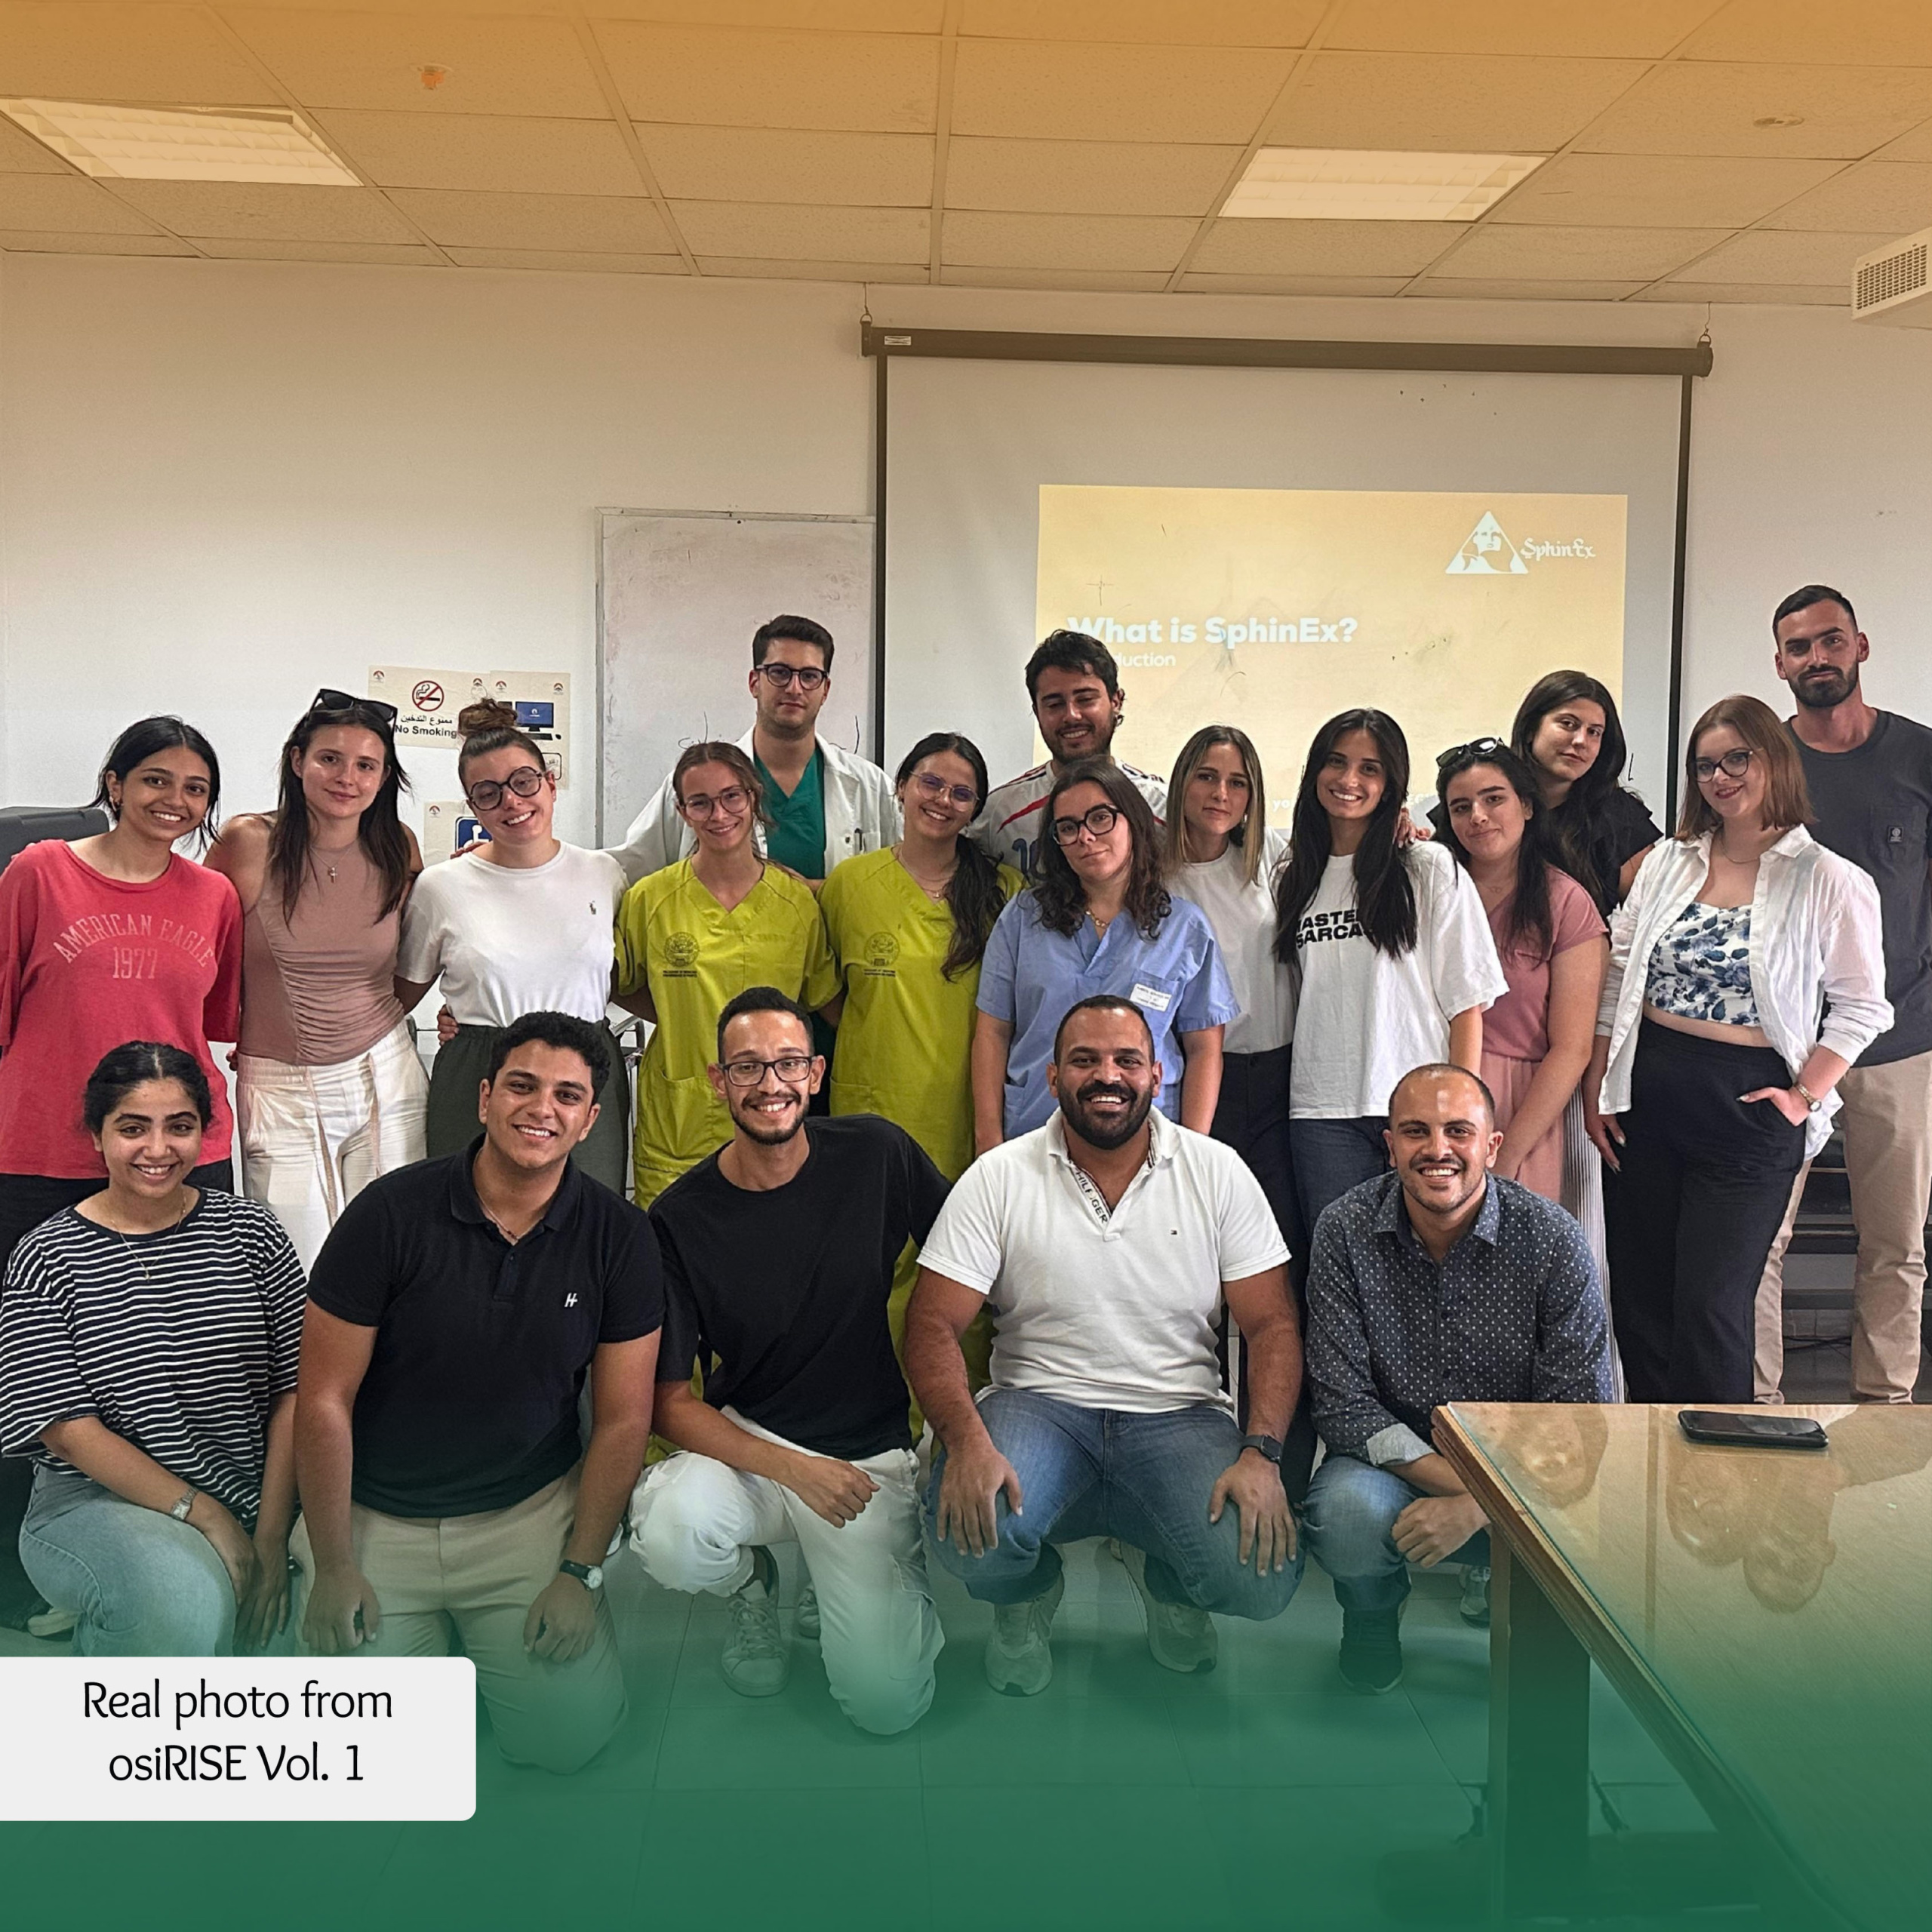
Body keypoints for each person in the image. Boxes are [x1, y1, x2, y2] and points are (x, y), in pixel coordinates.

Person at [294, 1012, 661, 1775]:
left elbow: (625, 1420)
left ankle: (486, 1648)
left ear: (591, 1119)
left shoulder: (619, 1236)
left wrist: (580, 1573)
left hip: (522, 1518)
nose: (542, 1109)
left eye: (567, 1096)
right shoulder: (389, 1214)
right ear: (485, 1097)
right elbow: (323, 1397)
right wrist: (333, 1565)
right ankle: (448, 1649)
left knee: (563, 1743)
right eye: (522, 1086)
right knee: (373, 1762)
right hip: (377, 1521)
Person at [907, 995, 1303, 1695]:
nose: (1107, 1076)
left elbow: (1272, 1325)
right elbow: (932, 1324)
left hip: (1178, 1414)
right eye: (1084, 1060)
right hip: (1037, 1405)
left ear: (1158, 1073)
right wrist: (966, 1444)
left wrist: (1261, 1455)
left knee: (1259, 1576)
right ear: (1052, 1076)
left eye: (1126, 1060)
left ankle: (1171, 1583)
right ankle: (1025, 1594)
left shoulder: (1217, 1171)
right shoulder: (999, 1176)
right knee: (971, 1530)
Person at [632, 989, 950, 1734]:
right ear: (719, 1082)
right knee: (671, 1531)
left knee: (886, 1705)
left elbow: (969, 1260)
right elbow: (669, 1402)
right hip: (755, 1447)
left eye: (787, 1064)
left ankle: (871, 1573)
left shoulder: (876, 1154)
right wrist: (795, 1469)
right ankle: (752, 1582)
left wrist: (958, 1422)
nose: (769, 1083)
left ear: (815, 1073)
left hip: (866, 1457)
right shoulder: (680, 1217)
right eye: (747, 1067)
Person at [0, 715, 242, 1630]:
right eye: (155, 779)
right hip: (45, 1154)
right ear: (114, 782)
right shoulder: (40, 871)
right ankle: (27, 1569)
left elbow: (210, 1022)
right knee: (32, 1375)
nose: (174, 801)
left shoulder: (214, 894)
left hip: (181, 1156)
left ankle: (163, 1543)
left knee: (172, 1365)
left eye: (194, 788)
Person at [1586, 695, 1890, 1404]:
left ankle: (1714, 1469)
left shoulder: (1828, 878)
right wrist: (1600, 1085)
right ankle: (1653, 1463)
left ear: (1772, 761)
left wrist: (1804, 1097)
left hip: (1749, 1106)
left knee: (1712, 1309)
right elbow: (1620, 969)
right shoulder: (1668, 861)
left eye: (1736, 759)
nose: (1719, 778)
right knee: (1642, 1303)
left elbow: (1862, 1007)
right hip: (1648, 1095)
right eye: (1705, 766)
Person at [1300, 1064, 1613, 1692]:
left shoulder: (1552, 1238)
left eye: (1458, 1131)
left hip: (1527, 1469)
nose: (1437, 1149)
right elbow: (1342, 1405)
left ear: (1491, 1147)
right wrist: (1473, 1492)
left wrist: (1484, 1505)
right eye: (1416, 1131)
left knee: (1592, 1526)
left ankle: (1523, 1607)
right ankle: (1372, 1612)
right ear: (1390, 1145)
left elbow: (1578, 1413)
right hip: (1391, 1465)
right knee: (1344, 1515)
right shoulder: (1344, 1229)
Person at [0, 1043, 303, 1656]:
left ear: (204, 1134)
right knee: (179, 1613)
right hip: (96, 1501)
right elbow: (68, 1431)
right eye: (133, 1128)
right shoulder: (46, 1257)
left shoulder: (254, 1233)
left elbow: (296, 1392)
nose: (158, 1149)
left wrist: (270, 1539)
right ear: (97, 1135)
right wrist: (208, 1517)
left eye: (180, 1127)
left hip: (254, 1489)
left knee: (318, 1635)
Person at [1755, 585, 1932, 1403]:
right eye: (1798, 647)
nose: (1816, 658)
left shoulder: (1919, 757)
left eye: (1830, 640)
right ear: (1779, 663)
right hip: (1785, 1047)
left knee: (1896, 1245)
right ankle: (1753, 1407)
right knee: (1760, 1240)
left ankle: (1886, 1411)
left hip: (1900, 1044)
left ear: (1859, 646)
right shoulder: (1761, 763)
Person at [208, 690, 428, 1269]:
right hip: (279, 1085)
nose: (347, 778)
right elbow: (195, 949)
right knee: (295, 1261)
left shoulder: (398, 846)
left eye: (366, 765)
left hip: (387, 1074)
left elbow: (421, 951)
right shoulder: (247, 842)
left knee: (392, 1255)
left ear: (384, 778)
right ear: (297, 759)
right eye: (330, 758)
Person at [1275, 710, 1506, 1239]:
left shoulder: (1427, 866)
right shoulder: (1291, 875)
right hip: (1321, 1112)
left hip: (1419, 1110)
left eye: (1370, 769)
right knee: (1340, 1266)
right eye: (1336, 763)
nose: (1349, 780)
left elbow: (1466, 1006)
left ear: (1391, 783)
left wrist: (1458, 1115)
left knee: (1428, 1264)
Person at [395, 700, 630, 1195]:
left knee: (587, 1217)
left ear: (550, 783)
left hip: (585, 1064)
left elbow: (617, 979)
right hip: (479, 1067)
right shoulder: (442, 887)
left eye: (524, 781)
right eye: (489, 793)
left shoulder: (603, 874)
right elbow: (398, 997)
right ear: (473, 807)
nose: (511, 801)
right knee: (467, 1217)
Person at [616, 742, 840, 1204]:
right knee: (671, 1237)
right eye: (700, 803)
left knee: (767, 1233)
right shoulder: (651, 900)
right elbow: (618, 983)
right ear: (683, 811)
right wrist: (679, 1015)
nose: (719, 814)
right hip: (681, 1117)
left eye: (731, 797)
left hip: (771, 1108)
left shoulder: (796, 904)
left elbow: (822, 998)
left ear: (754, 797)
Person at [973, 760, 1233, 1150]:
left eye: (1100, 818)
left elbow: (1204, 1049)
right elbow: (993, 1033)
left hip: (1148, 1142)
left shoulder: (1184, 928)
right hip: (1034, 1134)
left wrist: (1192, 1150)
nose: (1086, 837)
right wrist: (988, 1141)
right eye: (1068, 827)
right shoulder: (1023, 918)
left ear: (1134, 822)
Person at [821, 733, 1023, 1181]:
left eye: (962, 794)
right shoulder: (850, 884)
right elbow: (825, 991)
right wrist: (877, 1023)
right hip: (872, 1104)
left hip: (965, 1111)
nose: (943, 800)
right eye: (930, 783)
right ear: (901, 786)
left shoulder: (1005, 892)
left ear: (975, 810)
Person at [1435, 740, 1607, 1207]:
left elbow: (1572, 1048)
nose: (1478, 816)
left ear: (1527, 806)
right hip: (1431, 1100)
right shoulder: (1433, 889)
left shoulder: (1567, 903)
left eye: (1494, 799)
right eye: (1461, 807)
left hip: (1522, 1112)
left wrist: (1507, 1153)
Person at [609, 615, 900, 889]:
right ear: (754, 683)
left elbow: (907, 878)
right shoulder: (696, 784)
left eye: (810, 676)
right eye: (780, 673)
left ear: (825, 690)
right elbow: (627, 870)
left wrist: (815, 891)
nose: (794, 688)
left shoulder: (871, 786)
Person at [972, 630, 1168, 878]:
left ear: (1116, 701)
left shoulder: (1161, 807)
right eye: (1055, 704)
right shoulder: (999, 813)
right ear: (1037, 712)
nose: (1072, 715)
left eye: (1085, 699)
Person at [1506, 669, 1662, 915]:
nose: (1581, 741)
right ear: (1530, 729)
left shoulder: (1620, 818)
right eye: (1568, 724)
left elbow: (1648, 918)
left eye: (1594, 732)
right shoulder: (1489, 803)